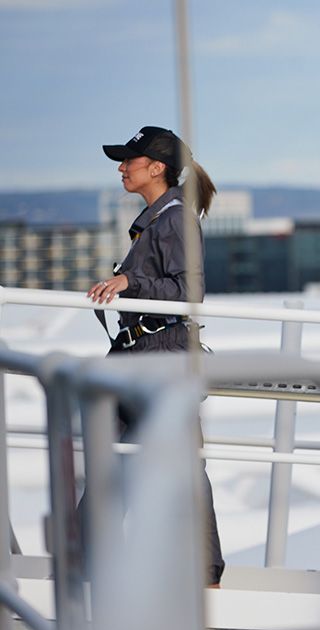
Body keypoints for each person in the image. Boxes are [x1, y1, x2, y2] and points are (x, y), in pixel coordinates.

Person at [87, 125, 224, 587]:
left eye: (129, 160)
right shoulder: (157, 219)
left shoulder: (175, 219)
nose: (121, 167)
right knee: (108, 463)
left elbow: (191, 291)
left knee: (182, 468)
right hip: (136, 358)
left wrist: (130, 282)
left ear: (157, 167)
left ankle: (206, 577)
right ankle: (95, 564)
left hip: (163, 359)